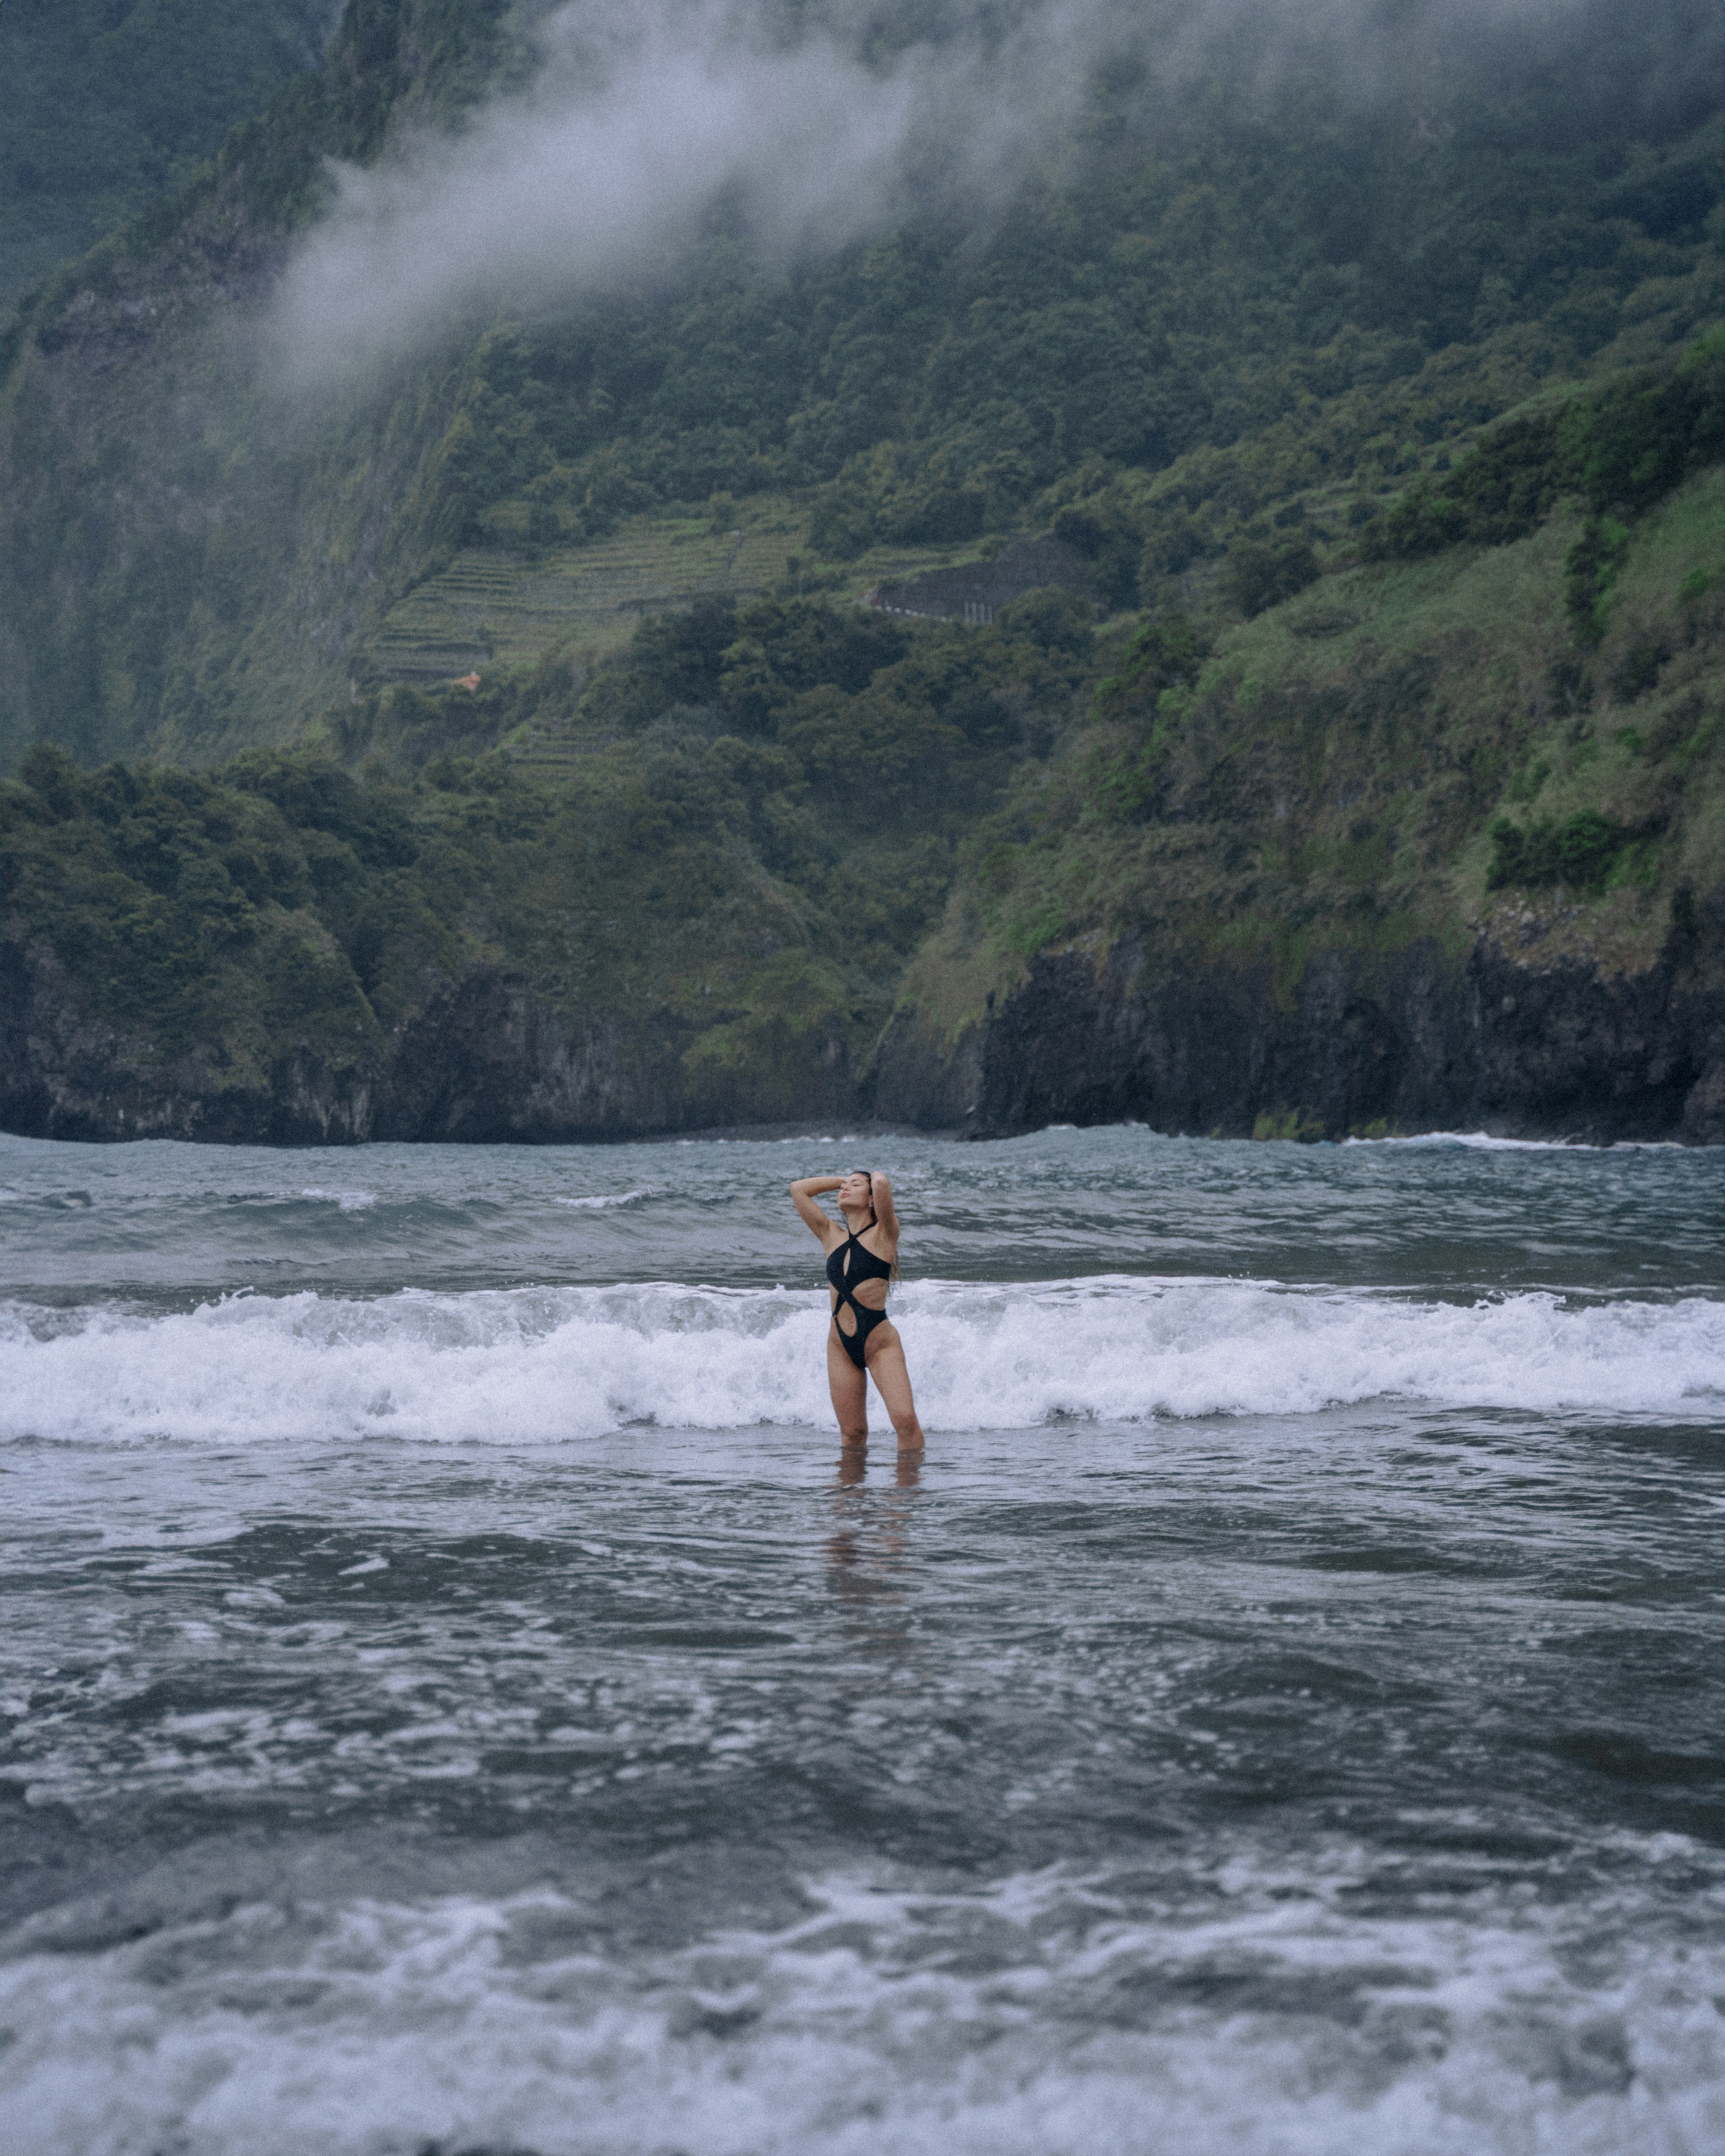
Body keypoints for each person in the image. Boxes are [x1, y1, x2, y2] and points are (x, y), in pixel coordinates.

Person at [790, 1168, 925, 1457]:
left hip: (879, 1343)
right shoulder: (830, 1235)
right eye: (844, 1185)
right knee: (852, 1433)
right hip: (840, 1346)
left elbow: (880, 1181)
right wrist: (841, 1180)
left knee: (905, 1422)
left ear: (872, 1199)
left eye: (855, 1185)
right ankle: (850, 1499)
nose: (845, 1188)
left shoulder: (885, 1232)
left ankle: (906, 1497)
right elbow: (798, 1189)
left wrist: (870, 1180)